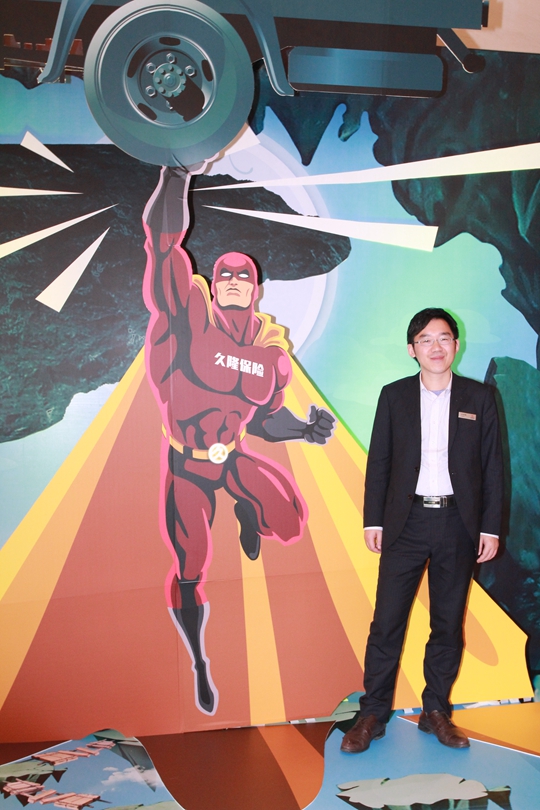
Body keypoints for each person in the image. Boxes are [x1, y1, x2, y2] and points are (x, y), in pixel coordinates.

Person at [142, 162, 335, 716]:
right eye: (224, 273)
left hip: (231, 455)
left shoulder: (271, 351)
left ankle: (249, 512)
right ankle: (200, 663)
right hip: (187, 466)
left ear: (256, 289)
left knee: (290, 523)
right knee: (191, 567)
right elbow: (161, 245)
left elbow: (266, 420)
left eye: (242, 275)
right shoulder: (187, 316)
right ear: (214, 281)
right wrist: (177, 174)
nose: (231, 280)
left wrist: (304, 430)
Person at [341, 307, 503, 753]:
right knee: (386, 623)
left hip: (458, 524)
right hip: (405, 523)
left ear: (456, 345)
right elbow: (380, 461)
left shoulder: (479, 398)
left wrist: (490, 528)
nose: (436, 346)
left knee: (447, 623)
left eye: (444, 338)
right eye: (426, 340)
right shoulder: (393, 396)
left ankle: (436, 713)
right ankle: (373, 714)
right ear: (412, 349)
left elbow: (493, 467)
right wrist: (373, 519)